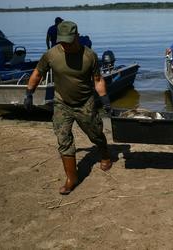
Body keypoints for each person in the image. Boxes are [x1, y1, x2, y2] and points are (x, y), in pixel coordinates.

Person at [24, 21, 113, 195]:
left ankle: (104, 154)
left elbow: (97, 80)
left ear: (77, 37)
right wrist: (29, 93)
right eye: (62, 41)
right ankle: (72, 178)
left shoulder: (90, 56)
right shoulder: (51, 55)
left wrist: (105, 100)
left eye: (69, 41)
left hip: (85, 103)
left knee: (95, 134)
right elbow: (37, 73)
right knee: (63, 139)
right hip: (61, 103)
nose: (65, 45)